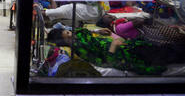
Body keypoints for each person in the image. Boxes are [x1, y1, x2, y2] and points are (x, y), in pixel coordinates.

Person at [47, 28, 177, 75]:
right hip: (130, 57)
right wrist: (113, 46)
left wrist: (98, 31)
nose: (72, 36)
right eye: (68, 39)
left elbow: (83, 31)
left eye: (69, 33)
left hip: (131, 46)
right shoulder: (82, 51)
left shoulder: (79, 33)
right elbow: (107, 63)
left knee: (166, 48)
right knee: (170, 53)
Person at [96, 14, 185, 48]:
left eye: (110, 15)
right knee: (177, 33)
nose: (111, 16)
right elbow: (139, 21)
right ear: (107, 24)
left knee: (177, 32)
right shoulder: (119, 27)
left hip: (148, 35)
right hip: (150, 34)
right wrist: (137, 19)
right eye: (108, 17)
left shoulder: (117, 27)